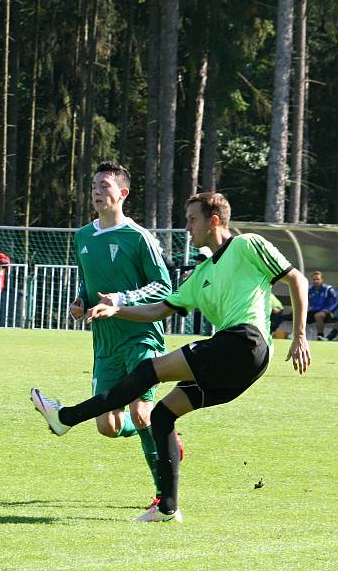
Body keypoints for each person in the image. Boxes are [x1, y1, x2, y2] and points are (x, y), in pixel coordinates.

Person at [31, 191, 311, 523]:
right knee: (162, 416)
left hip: (244, 342)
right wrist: (118, 309)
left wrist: (300, 336)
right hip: (237, 364)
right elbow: (160, 310)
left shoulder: (247, 244)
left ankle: (66, 418)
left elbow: (297, 278)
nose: (187, 227)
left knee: (149, 371)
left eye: (193, 219)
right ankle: (167, 507)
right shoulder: (202, 272)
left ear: (214, 221)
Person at [67, 161, 174, 509]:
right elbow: (89, 282)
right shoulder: (82, 236)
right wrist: (80, 302)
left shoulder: (138, 237)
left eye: (105, 186)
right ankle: (164, 437)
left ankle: (164, 496)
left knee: (142, 413)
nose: (97, 191)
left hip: (142, 334)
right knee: (108, 426)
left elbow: (163, 286)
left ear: (123, 193)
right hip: (105, 342)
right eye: (95, 185)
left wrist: (121, 299)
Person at [306, 271, 337, 341]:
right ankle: (296, 334)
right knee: (299, 315)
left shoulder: (328, 289)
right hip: (313, 311)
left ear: (322, 280)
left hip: (326, 312)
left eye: (318, 279)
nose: (316, 281)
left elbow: (336, 300)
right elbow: (305, 300)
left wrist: (330, 309)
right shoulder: (310, 289)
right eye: (314, 279)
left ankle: (320, 335)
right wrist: (307, 308)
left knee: (318, 315)